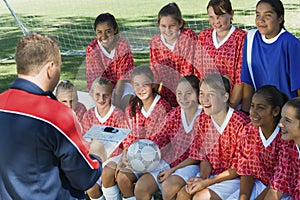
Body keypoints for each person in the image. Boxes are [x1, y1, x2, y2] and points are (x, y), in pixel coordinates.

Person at [0, 32, 105, 199]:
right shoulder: (57, 114)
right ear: (50, 68)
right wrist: (97, 155)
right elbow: (84, 178)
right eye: (59, 65)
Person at [101, 65, 172, 200]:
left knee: (126, 178)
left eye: (145, 84)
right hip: (134, 153)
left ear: (152, 84)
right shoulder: (132, 106)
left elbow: (159, 142)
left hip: (156, 157)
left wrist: (132, 159)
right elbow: (129, 136)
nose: (141, 89)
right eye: (137, 85)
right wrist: (124, 157)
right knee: (114, 174)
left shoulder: (163, 107)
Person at [177, 74, 250, 200]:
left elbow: (239, 168)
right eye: (201, 93)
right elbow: (205, 156)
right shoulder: (202, 120)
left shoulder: (241, 124)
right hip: (212, 174)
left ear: (225, 97)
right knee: (183, 194)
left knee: (200, 197)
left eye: (210, 94)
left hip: (234, 178)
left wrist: (207, 183)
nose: (204, 99)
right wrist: (203, 178)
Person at [134, 75, 202, 200]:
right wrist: (140, 154)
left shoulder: (204, 117)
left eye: (189, 93)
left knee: (168, 187)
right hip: (171, 160)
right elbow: (159, 139)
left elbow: (197, 157)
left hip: (191, 164)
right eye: (179, 93)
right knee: (141, 187)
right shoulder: (174, 114)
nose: (183, 98)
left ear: (198, 94)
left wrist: (172, 171)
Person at [226, 85, 288, 199]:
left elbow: (279, 182)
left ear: (275, 111)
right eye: (252, 106)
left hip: (280, 191)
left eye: (260, 108)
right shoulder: (249, 130)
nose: (253, 112)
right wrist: (243, 198)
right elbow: (247, 170)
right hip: (258, 184)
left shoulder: (285, 138)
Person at [241, 0, 300, 113]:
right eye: (258, 15)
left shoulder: (291, 43)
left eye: (267, 15)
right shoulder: (251, 38)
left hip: (285, 113)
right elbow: (247, 81)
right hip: (263, 114)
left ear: (280, 18)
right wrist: (245, 112)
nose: (260, 20)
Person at [194, 0, 246, 109]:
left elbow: (240, 78)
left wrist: (230, 106)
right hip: (207, 103)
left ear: (231, 14)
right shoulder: (204, 36)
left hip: (230, 103)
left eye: (220, 16)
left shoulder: (241, 38)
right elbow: (199, 72)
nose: (216, 21)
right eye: (211, 17)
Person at [83, 78, 129, 200]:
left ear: (111, 95)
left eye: (105, 95)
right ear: (91, 94)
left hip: (115, 155)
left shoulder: (118, 115)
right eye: (97, 95)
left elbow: (126, 143)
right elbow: (86, 143)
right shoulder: (88, 115)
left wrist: (122, 161)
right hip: (97, 157)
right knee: (91, 188)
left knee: (107, 173)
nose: (101, 99)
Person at [150, 2, 197, 107]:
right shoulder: (155, 41)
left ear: (179, 24)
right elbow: (155, 70)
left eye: (171, 26)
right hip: (167, 93)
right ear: (158, 25)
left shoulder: (188, 37)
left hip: (188, 91)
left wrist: (182, 94)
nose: (167, 30)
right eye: (163, 26)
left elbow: (188, 69)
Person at [86, 13, 135, 110]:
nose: (104, 36)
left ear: (115, 30)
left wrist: (116, 103)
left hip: (122, 85)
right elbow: (97, 81)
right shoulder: (92, 48)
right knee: (102, 106)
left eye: (108, 31)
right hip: (100, 86)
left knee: (127, 104)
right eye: (99, 32)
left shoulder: (123, 45)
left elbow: (122, 78)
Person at [263, 97, 300, 199]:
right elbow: (278, 185)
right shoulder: (288, 145)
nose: (280, 124)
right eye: (282, 117)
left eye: (287, 120)